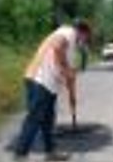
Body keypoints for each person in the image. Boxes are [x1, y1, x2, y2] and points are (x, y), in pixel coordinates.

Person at [14, 20, 92, 161]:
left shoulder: (72, 48)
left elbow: (70, 78)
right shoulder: (68, 32)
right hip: (39, 80)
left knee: (48, 120)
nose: (85, 41)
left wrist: (72, 97)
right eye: (86, 37)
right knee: (34, 118)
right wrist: (64, 68)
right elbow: (57, 46)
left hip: (50, 86)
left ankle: (51, 152)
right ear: (82, 32)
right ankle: (20, 155)